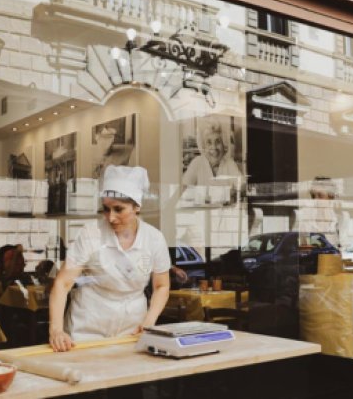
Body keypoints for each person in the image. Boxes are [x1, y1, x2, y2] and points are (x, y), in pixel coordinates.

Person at [49, 165, 171, 351]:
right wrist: (56, 330)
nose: (111, 217)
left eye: (118, 209)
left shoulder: (154, 239)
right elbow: (63, 283)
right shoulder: (90, 235)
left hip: (133, 327)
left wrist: (149, 321)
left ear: (137, 206)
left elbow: (161, 286)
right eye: (106, 209)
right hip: (88, 326)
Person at [182, 116, 241, 188]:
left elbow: (241, 186)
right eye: (209, 142)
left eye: (218, 141)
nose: (214, 147)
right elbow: (183, 188)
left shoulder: (229, 164)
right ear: (203, 146)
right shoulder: (197, 163)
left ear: (223, 144)